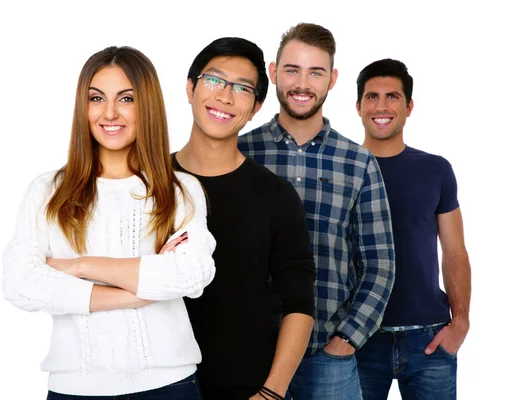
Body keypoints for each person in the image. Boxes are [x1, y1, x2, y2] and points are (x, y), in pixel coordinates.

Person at [2, 46, 216, 399]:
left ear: (146, 105)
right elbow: (20, 283)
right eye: (97, 98)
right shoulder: (46, 191)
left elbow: (192, 274)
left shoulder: (180, 190)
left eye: (127, 98)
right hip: (74, 388)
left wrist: (79, 265)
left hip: (166, 386)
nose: (110, 112)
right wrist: (138, 293)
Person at [238, 23, 395, 400]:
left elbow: (380, 264)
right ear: (274, 73)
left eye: (316, 72)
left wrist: (346, 340)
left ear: (332, 79)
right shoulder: (240, 153)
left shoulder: (358, 163)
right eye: (292, 70)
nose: (302, 83)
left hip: (326, 358)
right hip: (250, 354)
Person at [172, 37, 316, 400]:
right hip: (156, 385)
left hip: (245, 388)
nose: (225, 96)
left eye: (242, 88)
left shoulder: (277, 197)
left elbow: (299, 304)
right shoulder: (147, 180)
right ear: (190, 88)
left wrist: (271, 392)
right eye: (214, 80)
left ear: (255, 108)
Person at [354, 58, 471, 400]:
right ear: (358, 106)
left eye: (392, 96)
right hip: (359, 338)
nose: (381, 106)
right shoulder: (343, 169)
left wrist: (460, 322)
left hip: (429, 339)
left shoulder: (435, 169)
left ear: (409, 106)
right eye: (372, 96)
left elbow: (454, 251)